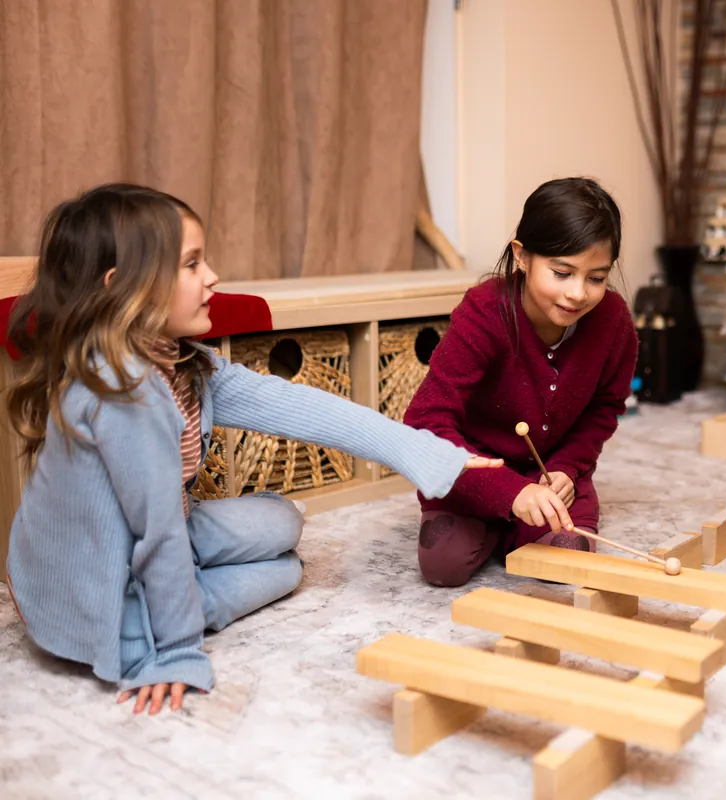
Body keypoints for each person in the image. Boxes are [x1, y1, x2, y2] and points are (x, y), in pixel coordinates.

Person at [3, 184, 501, 716]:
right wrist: (174, 654)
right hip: (85, 590)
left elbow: (301, 407)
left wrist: (429, 454)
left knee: (282, 529)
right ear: (122, 287)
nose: (212, 276)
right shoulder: (125, 394)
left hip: (148, 537)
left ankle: (172, 597)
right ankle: (160, 616)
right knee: (278, 572)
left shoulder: (180, 362)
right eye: (191, 264)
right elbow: (159, 531)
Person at [403, 177, 638, 587]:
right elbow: (425, 422)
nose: (577, 294)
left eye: (597, 278)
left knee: (563, 566)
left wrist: (568, 468)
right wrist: (508, 493)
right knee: (444, 566)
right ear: (522, 256)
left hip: (550, 476)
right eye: (562, 273)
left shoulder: (614, 323)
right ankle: (496, 523)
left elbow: (605, 408)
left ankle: (512, 529)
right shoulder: (484, 312)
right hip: (473, 470)